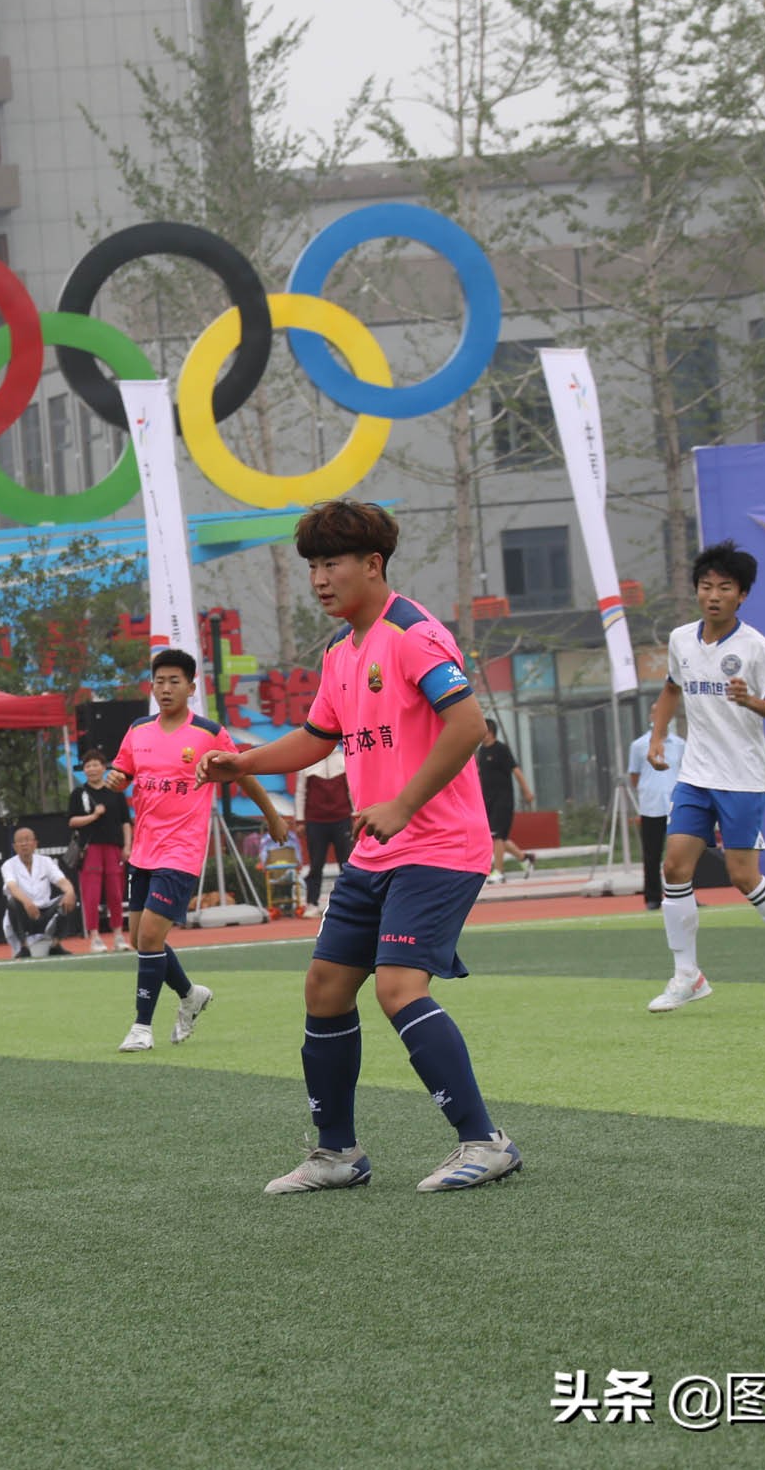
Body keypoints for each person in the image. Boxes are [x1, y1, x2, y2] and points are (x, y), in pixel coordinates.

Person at [198, 499, 519, 1193]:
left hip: (438, 845)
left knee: (400, 990)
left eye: (331, 563)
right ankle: (337, 1155)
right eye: (312, 564)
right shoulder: (341, 653)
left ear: (373, 565)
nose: (319, 578)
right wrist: (244, 762)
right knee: (325, 988)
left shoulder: (413, 634)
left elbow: (467, 726)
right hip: (377, 852)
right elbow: (318, 738)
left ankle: (484, 1141)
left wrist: (403, 804)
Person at [646, 540, 765, 1013]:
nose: (713, 595)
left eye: (724, 588)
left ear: (742, 594)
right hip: (696, 774)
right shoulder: (682, 639)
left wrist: (751, 701)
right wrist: (658, 737)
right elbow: (670, 689)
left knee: (743, 877)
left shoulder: (756, 647)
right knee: (674, 868)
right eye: (706, 586)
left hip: (742, 777)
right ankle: (688, 974)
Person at [101, 649, 288, 1053]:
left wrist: (272, 817)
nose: (166, 689)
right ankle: (190, 994)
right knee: (139, 938)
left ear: (190, 686)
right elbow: (123, 774)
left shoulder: (208, 732)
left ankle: (141, 1027)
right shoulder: (137, 730)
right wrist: (117, 780)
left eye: (174, 681)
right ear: (151, 686)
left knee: (150, 936)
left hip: (182, 851)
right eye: (159, 681)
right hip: (144, 851)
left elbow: (243, 773)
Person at [68, 752, 128, 951]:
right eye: (88, 766)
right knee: (91, 894)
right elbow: (72, 821)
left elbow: (126, 822)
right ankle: (95, 937)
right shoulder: (78, 794)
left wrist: (128, 846)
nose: (92, 769)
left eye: (96, 765)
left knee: (116, 893)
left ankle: (119, 935)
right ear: (84, 770)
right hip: (90, 849)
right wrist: (94, 816)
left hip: (113, 848)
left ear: (104, 768)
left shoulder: (116, 792)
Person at [626, 726, 687, 909]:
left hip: (676, 804)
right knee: (652, 854)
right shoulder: (638, 745)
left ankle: (684, 895)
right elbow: (634, 775)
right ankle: (653, 897)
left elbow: (685, 770)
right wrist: (647, 790)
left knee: (683, 853)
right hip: (651, 805)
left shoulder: (679, 744)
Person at [293, 745, 353, 918]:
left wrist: (356, 815)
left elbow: (352, 790)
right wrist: (300, 820)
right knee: (316, 864)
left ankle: (350, 902)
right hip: (315, 821)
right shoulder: (308, 760)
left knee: (347, 864)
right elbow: (300, 792)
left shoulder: (343, 758)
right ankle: (312, 903)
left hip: (341, 819)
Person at [1, 826, 77, 958]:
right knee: (13, 902)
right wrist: (27, 903)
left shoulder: (46, 861)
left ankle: (55, 944)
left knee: (68, 899)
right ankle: (24, 947)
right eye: (20, 841)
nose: (24, 844)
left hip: (44, 912)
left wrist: (70, 892)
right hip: (24, 914)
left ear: (35, 843)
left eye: (27, 840)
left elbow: (62, 881)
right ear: (14, 846)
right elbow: (12, 887)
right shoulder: (8, 865)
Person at [476, 718, 535, 882]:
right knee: (495, 837)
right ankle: (525, 859)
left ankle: (499, 872)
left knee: (497, 836)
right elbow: (480, 776)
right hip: (488, 800)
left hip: (503, 799)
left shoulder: (501, 749)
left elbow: (516, 770)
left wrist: (526, 790)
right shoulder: (481, 751)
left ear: (490, 731)